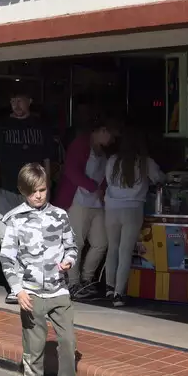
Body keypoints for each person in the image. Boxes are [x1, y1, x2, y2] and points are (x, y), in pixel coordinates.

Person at [0, 162, 84, 376]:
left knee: (68, 343)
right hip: (31, 294)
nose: (39, 196)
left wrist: (69, 260)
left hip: (59, 291)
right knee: (34, 349)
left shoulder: (60, 215)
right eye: (33, 191)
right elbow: (7, 259)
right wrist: (18, 290)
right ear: (23, 191)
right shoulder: (13, 218)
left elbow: (72, 245)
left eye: (43, 190)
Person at [0, 90, 49, 304]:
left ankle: (29, 284)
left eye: (20, 99)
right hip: (5, 192)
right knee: (6, 241)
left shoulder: (40, 127)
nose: (16, 104)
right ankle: (15, 287)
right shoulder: (0, 126)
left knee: (31, 239)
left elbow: (46, 159)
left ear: (30, 100)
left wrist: (45, 188)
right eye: (13, 100)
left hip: (33, 193)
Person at [102, 130, 165, 308]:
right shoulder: (145, 162)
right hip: (133, 209)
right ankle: (118, 294)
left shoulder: (112, 160)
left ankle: (109, 287)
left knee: (112, 248)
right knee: (125, 251)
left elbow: (107, 180)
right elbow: (159, 178)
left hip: (112, 208)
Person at [55, 118, 113, 299]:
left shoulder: (103, 150)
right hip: (77, 201)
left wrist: (99, 190)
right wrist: (93, 187)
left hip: (96, 203)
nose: (113, 138)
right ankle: (73, 282)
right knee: (76, 243)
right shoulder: (80, 144)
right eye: (110, 133)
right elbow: (71, 171)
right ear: (101, 130)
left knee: (101, 242)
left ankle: (86, 279)